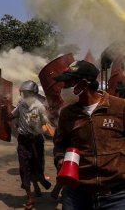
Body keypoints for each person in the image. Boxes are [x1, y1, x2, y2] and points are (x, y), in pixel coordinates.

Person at [53, 60, 125, 209]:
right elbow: (60, 144)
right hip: (78, 194)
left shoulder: (119, 108)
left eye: (68, 83)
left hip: (116, 196)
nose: (63, 88)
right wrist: (60, 159)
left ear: (83, 84)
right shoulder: (67, 113)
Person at [10, 80, 52, 210]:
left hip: (36, 141)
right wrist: (5, 109)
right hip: (23, 141)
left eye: (28, 94)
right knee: (24, 168)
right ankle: (29, 196)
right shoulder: (20, 105)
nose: (25, 96)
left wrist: (47, 130)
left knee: (37, 165)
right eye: (24, 93)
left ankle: (38, 183)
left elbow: (45, 123)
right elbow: (12, 116)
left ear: (34, 94)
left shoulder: (40, 107)